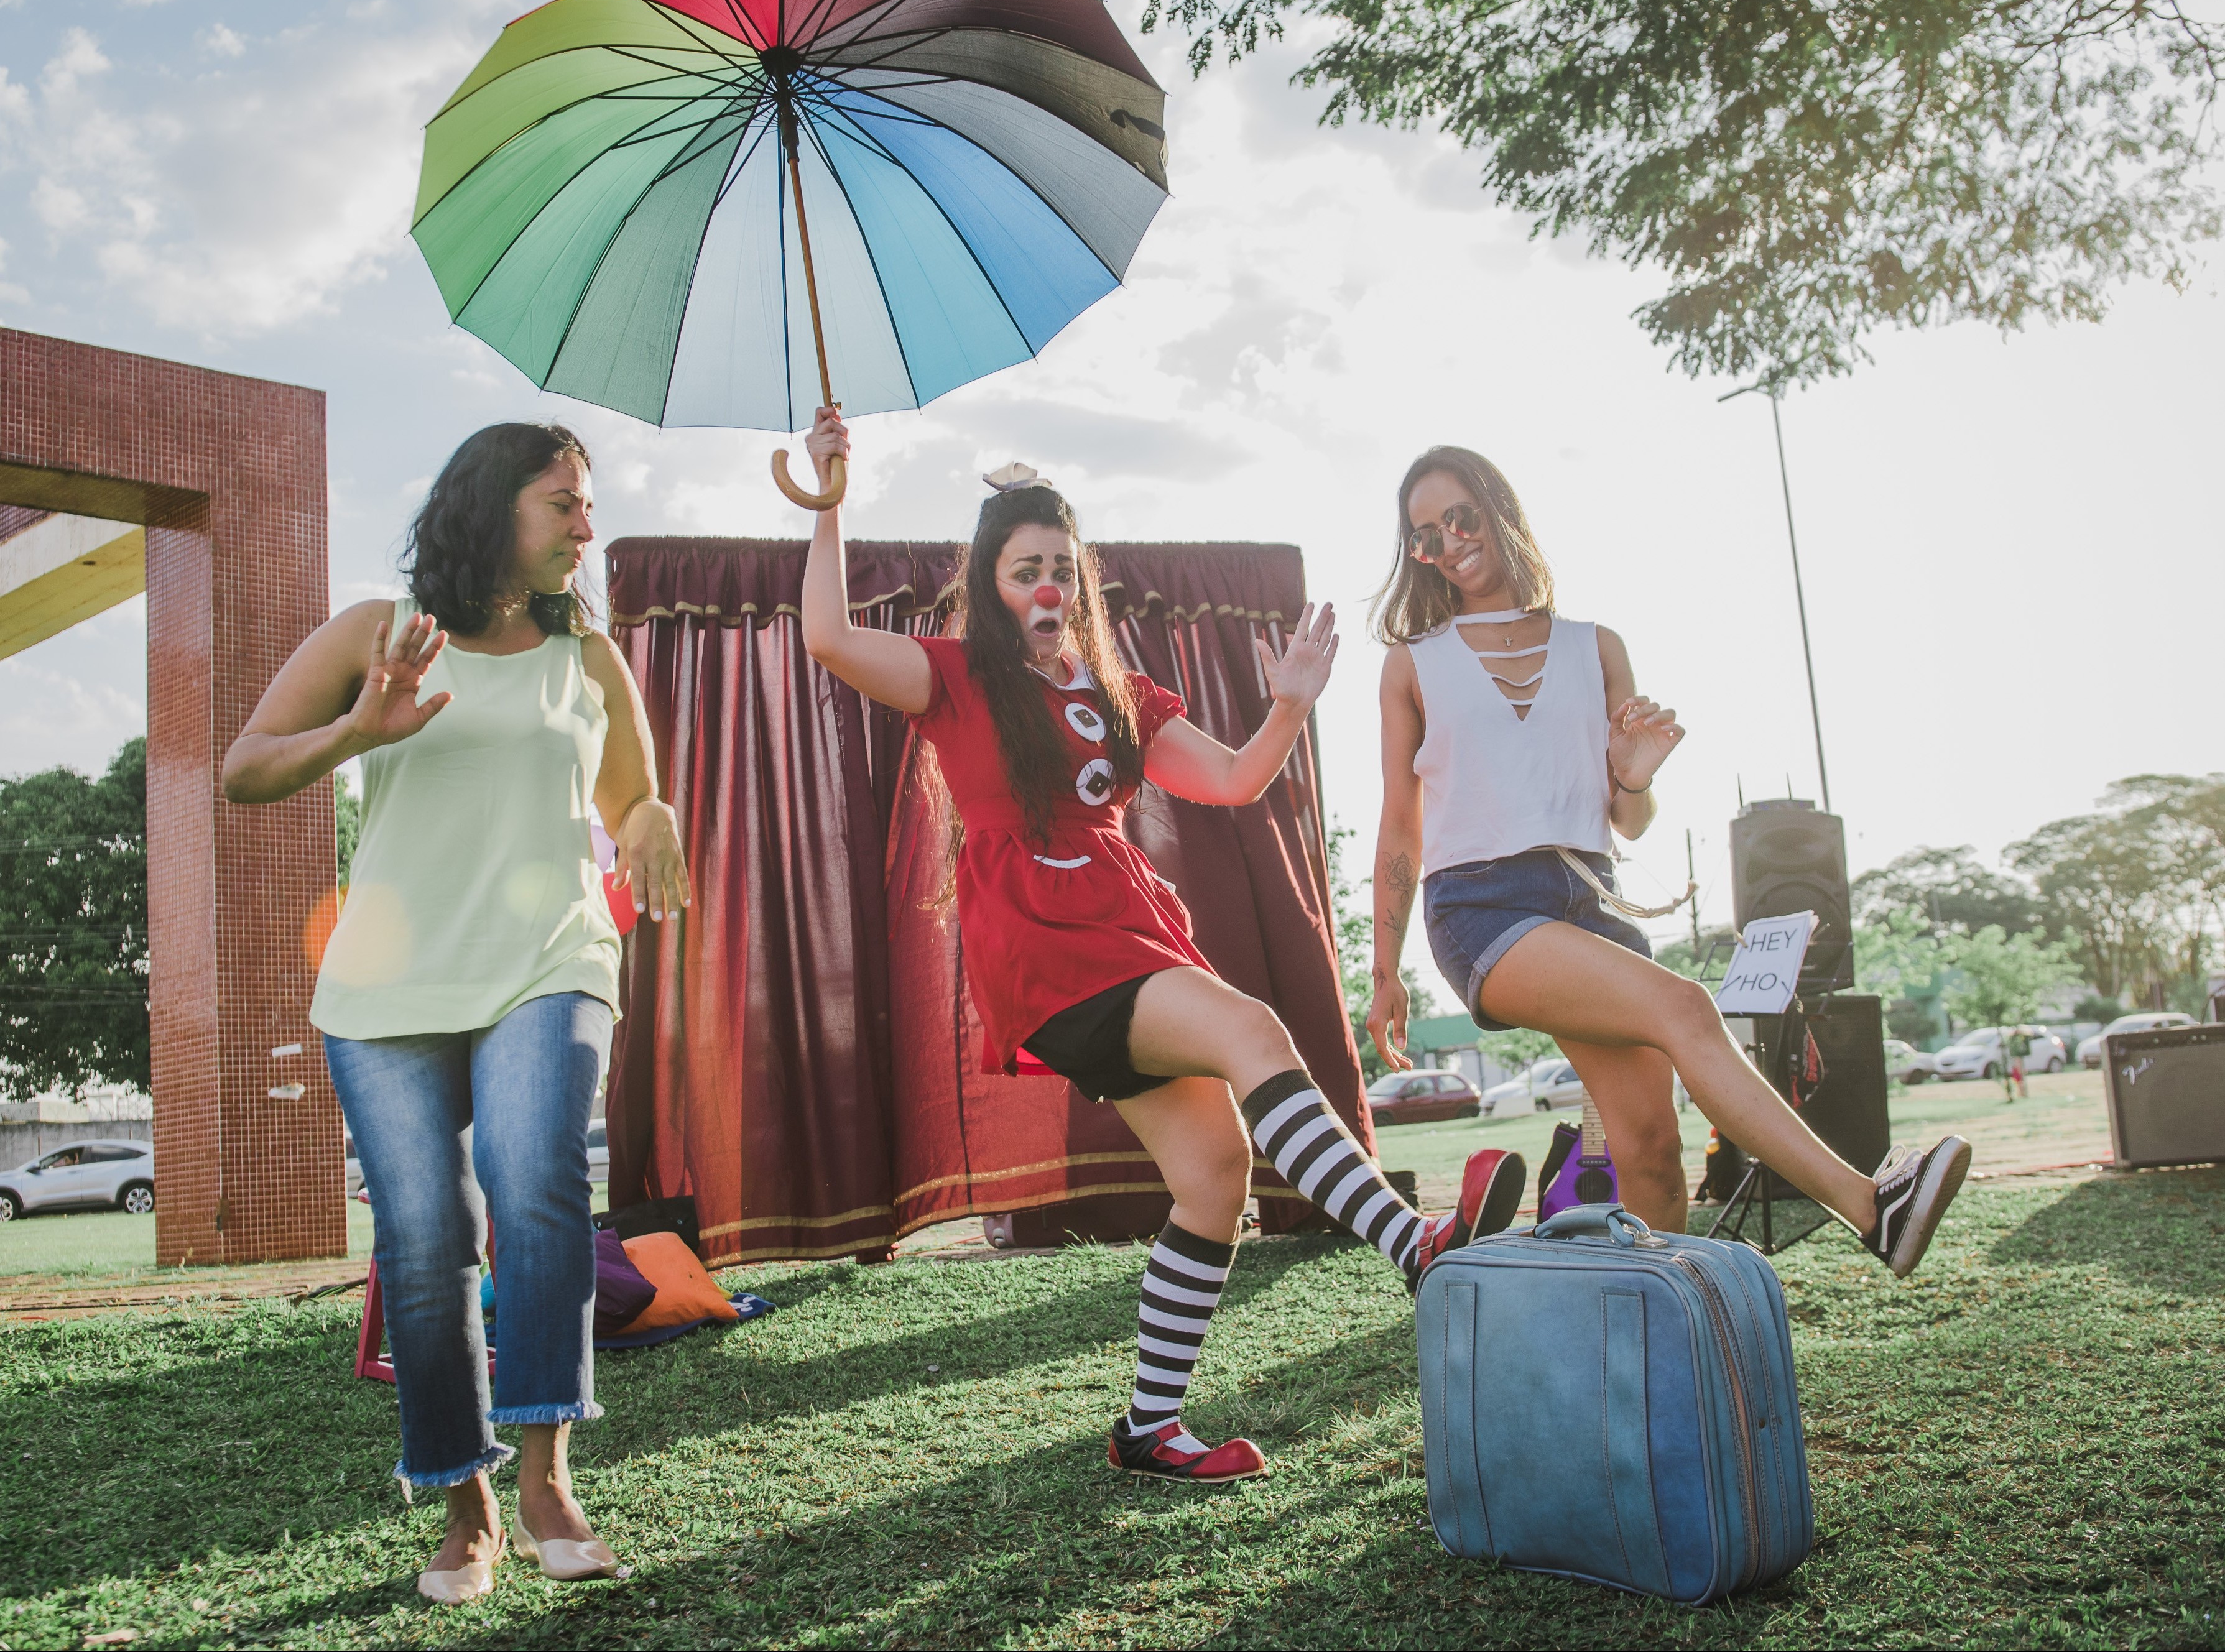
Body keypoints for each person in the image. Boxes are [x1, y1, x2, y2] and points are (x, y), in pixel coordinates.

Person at [799, 411, 1525, 1485]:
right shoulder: (951, 673)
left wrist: (1287, 707)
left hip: (1132, 929)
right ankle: (1410, 1244)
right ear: (989, 584)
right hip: (1046, 947)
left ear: (1082, 581)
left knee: (1215, 1175)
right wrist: (828, 502)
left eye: (1059, 565)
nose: (1044, 583)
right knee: (1249, 1029)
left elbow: (1233, 778)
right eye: (1022, 568)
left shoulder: (1119, 694)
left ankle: (1147, 1426)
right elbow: (826, 637)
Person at [224, 423, 690, 1604]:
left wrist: (652, 819)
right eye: (564, 502)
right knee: (425, 1236)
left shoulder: (586, 656)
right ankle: (465, 1500)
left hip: (549, 956)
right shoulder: (379, 634)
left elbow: (631, 792)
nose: (588, 526)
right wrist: (355, 732)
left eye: (588, 505)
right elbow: (245, 769)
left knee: (535, 1179)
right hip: (387, 984)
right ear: (492, 505)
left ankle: (545, 1476)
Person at [1365, 445, 1968, 1276]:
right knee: (1686, 1007)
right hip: (1482, 908)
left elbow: (1629, 818)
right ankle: (1872, 1208)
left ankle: (1654, 1354)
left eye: (1459, 515)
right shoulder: (1413, 664)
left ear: (1497, 508)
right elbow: (1400, 827)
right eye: (1425, 536)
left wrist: (1633, 772)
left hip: (1591, 898)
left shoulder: (1596, 646)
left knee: (1650, 1146)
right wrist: (1384, 969)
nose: (1449, 541)